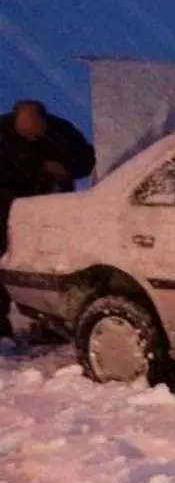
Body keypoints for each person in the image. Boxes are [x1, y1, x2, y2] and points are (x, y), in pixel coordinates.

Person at [0, 100, 96, 342]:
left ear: (44, 121)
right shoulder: (2, 133)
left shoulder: (61, 132)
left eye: (36, 129)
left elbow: (85, 160)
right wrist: (37, 166)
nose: (32, 135)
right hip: (5, 210)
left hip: (48, 211)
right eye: (25, 130)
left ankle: (51, 324)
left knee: (49, 267)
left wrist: (65, 168)